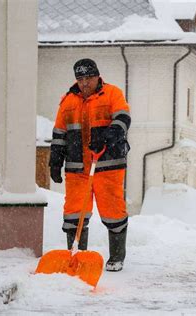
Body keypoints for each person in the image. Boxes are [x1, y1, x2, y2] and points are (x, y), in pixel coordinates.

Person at [49, 58, 131, 272]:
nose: (85, 83)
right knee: (74, 213)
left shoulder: (113, 94)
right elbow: (59, 134)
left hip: (108, 165)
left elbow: (122, 118)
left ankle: (116, 256)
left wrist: (108, 136)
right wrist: (55, 161)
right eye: (81, 79)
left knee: (113, 211)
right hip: (77, 168)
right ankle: (77, 256)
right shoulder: (68, 101)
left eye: (89, 78)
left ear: (97, 76)